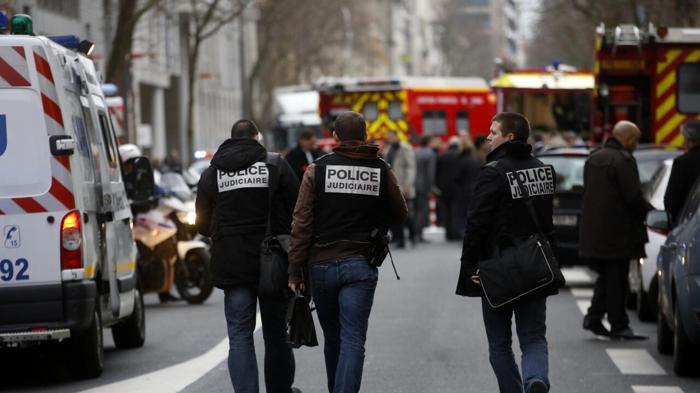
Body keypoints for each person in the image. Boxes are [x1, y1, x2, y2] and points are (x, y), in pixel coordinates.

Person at [287, 111, 407, 393]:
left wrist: (294, 270)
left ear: (334, 137)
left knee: (335, 338)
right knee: (353, 339)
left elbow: (301, 223)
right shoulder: (380, 168)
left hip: (322, 265)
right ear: (365, 136)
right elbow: (400, 213)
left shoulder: (317, 170)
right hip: (361, 264)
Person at [195, 119, 302, 393]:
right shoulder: (275, 165)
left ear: (232, 140)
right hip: (274, 263)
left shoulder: (212, 173)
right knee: (276, 334)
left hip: (232, 264)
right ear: (256, 138)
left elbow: (201, 224)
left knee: (240, 336)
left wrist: (226, 236)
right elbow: (298, 210)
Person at [456, 112, 557, 393]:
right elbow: (547, 222)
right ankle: (536, 379)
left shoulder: (492, 172)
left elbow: (476, 225)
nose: (487, 136)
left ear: (508, 137)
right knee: (534, 336)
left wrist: (469, 268)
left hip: (497, 268)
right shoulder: (544, 169)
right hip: (536, 264)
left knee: (499, 344)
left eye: (493, 132)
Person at [579, 120, 653, 340]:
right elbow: (633, 197)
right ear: (628, 139)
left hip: (594, 232)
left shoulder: (593, 158)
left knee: (608, 277)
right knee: (617, 280)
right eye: (636, 140)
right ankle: (618, 324)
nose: (636, 145)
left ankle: (594, 318)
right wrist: (653, 213)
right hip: (619, 232)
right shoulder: (624, 160)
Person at [383, 129, 416, 248]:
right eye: (388, 136)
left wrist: (408, 184)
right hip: (392, 185)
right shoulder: (388, 149)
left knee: (404, 213)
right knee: (394, 212)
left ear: (396, 136)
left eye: (391, 136)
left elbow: (411, 168)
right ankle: (398, 238)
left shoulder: (405, 148)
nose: (389, 138)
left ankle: (411, 235)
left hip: (403, 185)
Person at [664, 120, 700, 224]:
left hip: (691, 224)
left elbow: (671, 199)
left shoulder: (682, 162)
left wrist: (676, 223)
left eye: (684, 138)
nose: (683, 143)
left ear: (689, 140)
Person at [435, 137, 463, 240]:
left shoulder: (442, 156)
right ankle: (455, 233)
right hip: (456, 188)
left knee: (446, 212)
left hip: (444, 189)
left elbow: (437, 173)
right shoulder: (459, 156)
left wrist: (437, 186)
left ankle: (448, 233)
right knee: (455, 211)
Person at [413, 135, 437, 242]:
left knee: (415, 210)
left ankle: (413, 232)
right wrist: (430, 189)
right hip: (423, 186)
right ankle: (418, 234)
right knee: (422, 211)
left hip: (414, 184)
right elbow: (430, 173)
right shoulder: (430, 154)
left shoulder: (415, 151)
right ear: (429, 142)